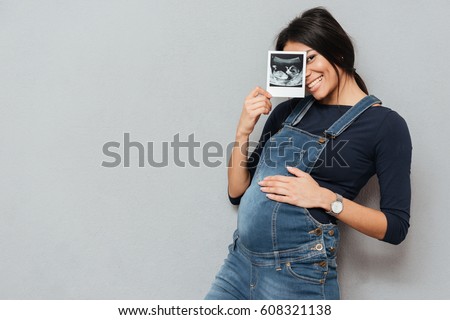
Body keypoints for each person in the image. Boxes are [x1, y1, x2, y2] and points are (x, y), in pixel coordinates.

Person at [205, 7, 412, 300]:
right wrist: (242, 132)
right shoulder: (287, 112)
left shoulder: (385, 126)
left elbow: (395, 228)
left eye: (311, 57)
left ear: (337, 51)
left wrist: (326, 199)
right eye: (298, 64)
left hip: (298, 275)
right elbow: (237, 192)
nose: (307, 74)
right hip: (239, 265)